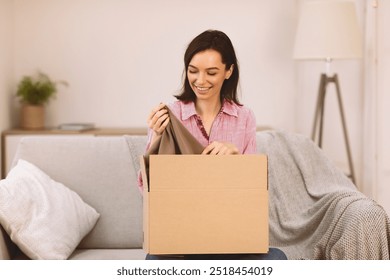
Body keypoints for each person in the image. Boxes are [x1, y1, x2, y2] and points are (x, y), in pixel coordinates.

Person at [143, 30, 287, 260]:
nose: (200, 81)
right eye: (193, 71)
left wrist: (236, 156)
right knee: (155, 262)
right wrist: (158, 138)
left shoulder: (244, 117)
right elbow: (146, 188)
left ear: (228, 71)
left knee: (277, 259)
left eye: (211, 73)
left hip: (229, 236)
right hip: (180, 237)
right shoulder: (170, 116)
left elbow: (255, 191)